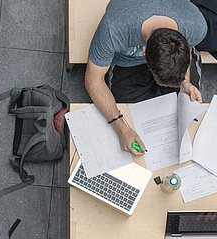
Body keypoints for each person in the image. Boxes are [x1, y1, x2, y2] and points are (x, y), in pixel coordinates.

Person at [85, 0, 207, 155]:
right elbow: (93, 81)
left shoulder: (196, 25)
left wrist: (185, 82)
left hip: (166, 56)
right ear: (144, 50)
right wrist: (121, 128)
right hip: (128, 62)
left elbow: (187, 51)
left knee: (186, 110)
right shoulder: (114, 28)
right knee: (131, 115)